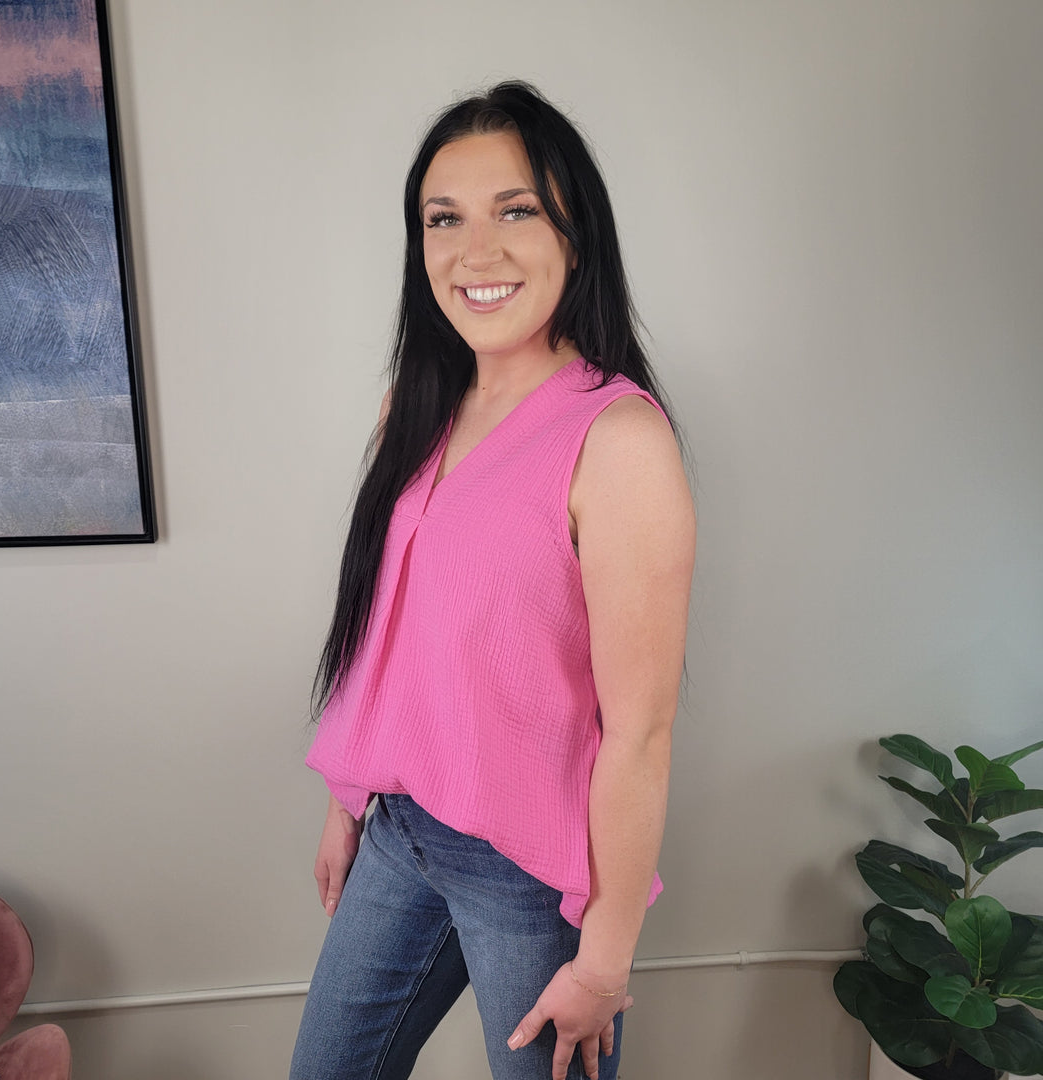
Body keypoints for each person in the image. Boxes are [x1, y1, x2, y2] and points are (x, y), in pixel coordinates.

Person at [290, 81, 695, 1080]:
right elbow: (391, 626)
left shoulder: (618, 438)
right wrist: (348, 798)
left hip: (535, 872)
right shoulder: (417, 406)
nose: (475, 251)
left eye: (515, 210)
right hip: (403, 833)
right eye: (444, 219)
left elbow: (640, 729)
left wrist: (604, 962)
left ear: (574, 230)